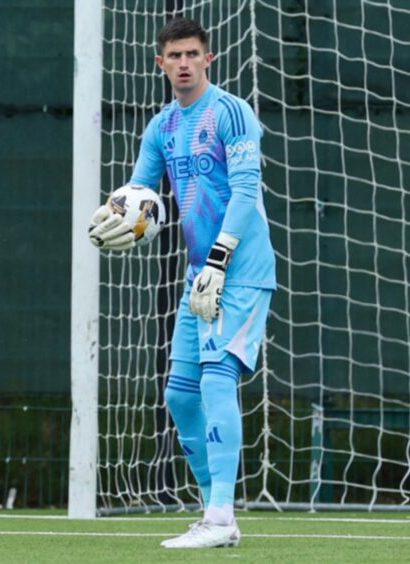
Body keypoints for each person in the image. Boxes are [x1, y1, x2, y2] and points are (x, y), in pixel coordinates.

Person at [88, 17, 276, 549]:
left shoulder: (231, 113)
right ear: (162, 63)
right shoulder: (161, 127)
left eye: (194, 53)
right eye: (175, 56)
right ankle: (215, 513)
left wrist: (218, 260)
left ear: (209, 58)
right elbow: (140, 190)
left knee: (218, 380)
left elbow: (244, 193)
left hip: (240, 268)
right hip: (202, 273)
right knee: (179, 395)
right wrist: (116, 214)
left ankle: (219, 518)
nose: (185, 63)